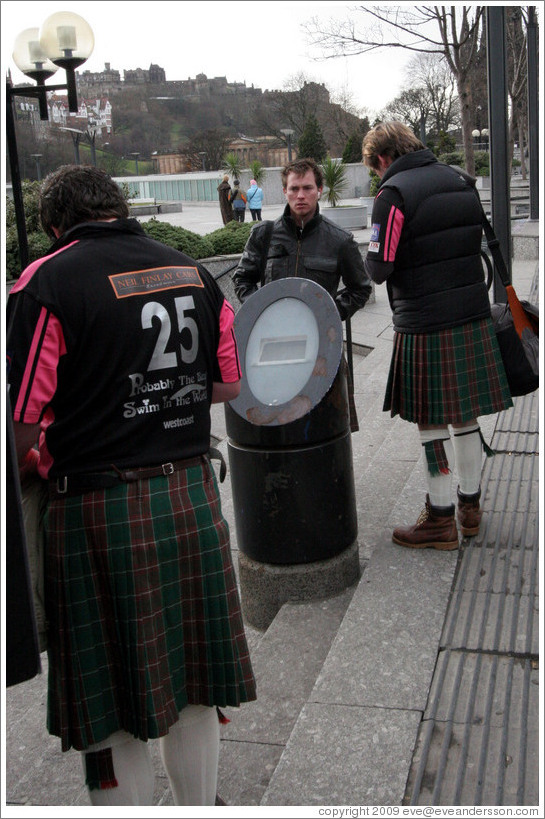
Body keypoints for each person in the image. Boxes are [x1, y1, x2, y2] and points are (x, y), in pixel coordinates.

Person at [6, 165, 256, 806]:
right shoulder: (190, 270)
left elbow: (21, 423)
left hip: (95, 514)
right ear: (118, 206)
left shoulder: (46, 281)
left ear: (56, 225)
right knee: (197, 682)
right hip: (192, 499)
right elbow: (227, 386)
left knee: (109, 704)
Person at [362, 121, 512, 550]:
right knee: (465, 415)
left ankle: (440, 520)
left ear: (382, 158)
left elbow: (379, 268)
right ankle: (470, 508)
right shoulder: (460, 181)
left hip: (424, 321)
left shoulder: (392, 196)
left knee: (431, 420)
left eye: (374, 167)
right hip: (470, 313)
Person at [233, 157, 372, 430]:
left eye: (307, 188)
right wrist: (263, 314)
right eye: (294, 188)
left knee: (325, 427)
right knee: (277, 427)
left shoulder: (340, 240)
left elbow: (361, 288)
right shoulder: (264, 234)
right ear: (284, 191)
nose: (300, 195)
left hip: (321, 348)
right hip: (270, 348)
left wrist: (329, 315)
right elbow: (242, 280)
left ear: (319, 190)